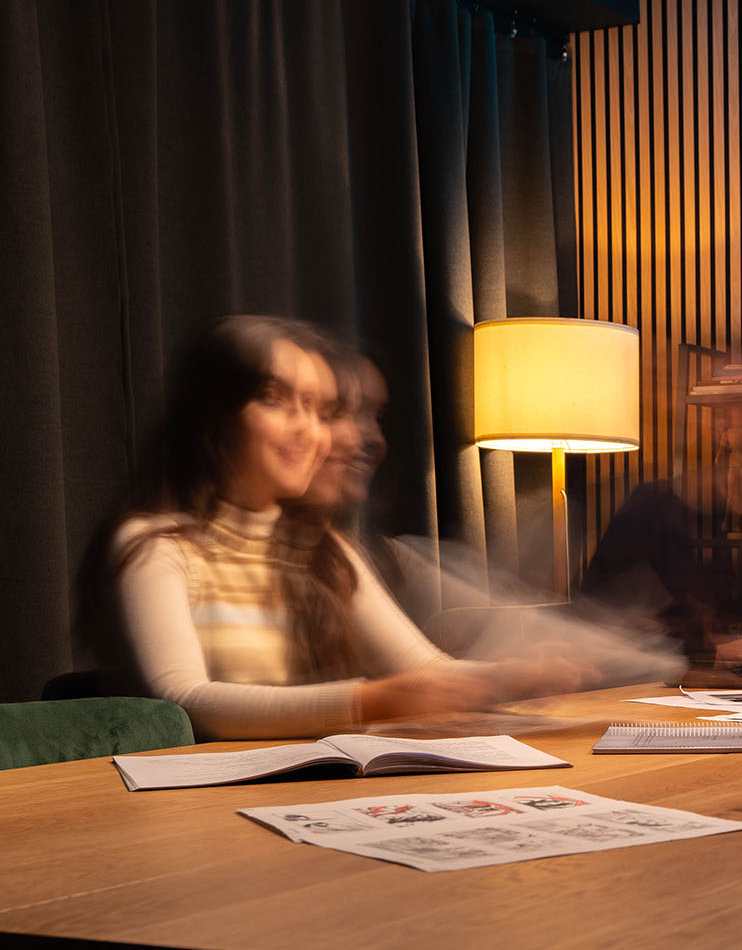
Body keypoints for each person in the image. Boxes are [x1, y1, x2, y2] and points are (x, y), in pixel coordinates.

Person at [78, 316, 584, 741]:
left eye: (320, 411)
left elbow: (423, 670)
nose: (309, 430)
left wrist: (511, 676)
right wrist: (365, 701)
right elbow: (183, 700)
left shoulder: (323, 549)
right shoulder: (156, 545)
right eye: (276, 400)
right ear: (213, 416)